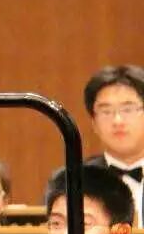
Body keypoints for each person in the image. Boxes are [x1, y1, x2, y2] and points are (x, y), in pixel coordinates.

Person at [49, 66, 144, 225]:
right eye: (106, 111)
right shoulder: (72, 179)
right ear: (94, 123)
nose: (118, 120)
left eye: (128, 109)